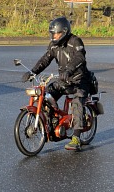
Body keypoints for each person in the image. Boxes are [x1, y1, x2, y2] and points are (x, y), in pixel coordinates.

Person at [21, 16, 91, 151]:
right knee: (46, 95)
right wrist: (33, 72)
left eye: (56, 33)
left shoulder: (75, 41)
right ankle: (53, 123)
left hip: (80, 80)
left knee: (77, 102)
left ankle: (76, 138)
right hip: (64, 80)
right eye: (52, 33)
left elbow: (80, 57)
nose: (54, 36)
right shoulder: (53, 45)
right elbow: (45, 59)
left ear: (64, 32)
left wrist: (69, 70)